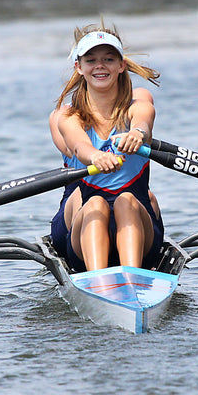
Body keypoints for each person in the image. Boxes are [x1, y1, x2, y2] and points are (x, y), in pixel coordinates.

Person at [49, 22, 164, 272]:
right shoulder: (69, 117)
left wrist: (137, 133)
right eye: (91, 60)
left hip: (140, 233)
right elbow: (79, 147)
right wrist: (95, 157)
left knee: (126, 200)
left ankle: (133, 280)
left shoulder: (137, 106)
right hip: (86, 229)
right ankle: (99, 281)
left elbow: (144, 120)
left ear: (121, 65)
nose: (100, 66)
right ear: (79, 67)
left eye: (109, 59)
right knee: (95, 204)